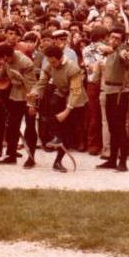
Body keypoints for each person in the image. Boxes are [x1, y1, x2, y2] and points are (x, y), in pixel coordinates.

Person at [29, 45, 87, 173]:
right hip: (61, 94)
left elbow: (75, 92)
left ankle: (58, 161)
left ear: (61, 58)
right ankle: (55, 136)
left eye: (54, 62)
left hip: (75, 101)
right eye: (49, 62)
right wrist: (33, 94)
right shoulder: (50, 65)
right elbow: (42, 83)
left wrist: (67, 111)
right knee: (51, 108)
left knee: (68, 132)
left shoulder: (73, 68)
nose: (51, 65)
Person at [98, 27, 129, 172]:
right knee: (112, 128)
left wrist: (127, 55)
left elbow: (124, 55)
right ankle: (112, 160)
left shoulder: (122, 50)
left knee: (120, 128)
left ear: (122, 41)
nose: (114, 40)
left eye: (117, 38)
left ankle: (123, 162)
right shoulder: (110, 51)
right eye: (112, 37)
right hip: (109, 91)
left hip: (119, 94)